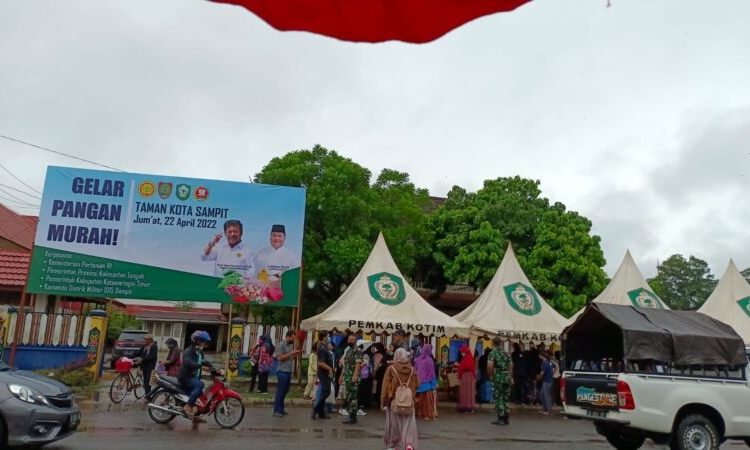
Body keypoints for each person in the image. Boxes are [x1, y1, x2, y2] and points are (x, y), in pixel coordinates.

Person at [381, 348, 419, 450]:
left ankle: (394, 445)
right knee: (408, 424)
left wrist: (383, 401)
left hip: (394, 401)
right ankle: (409, 444)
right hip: (409, 401)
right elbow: (417, 384)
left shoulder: (391, 368)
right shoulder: (412, 369)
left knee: (395, 424)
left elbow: (385, 386)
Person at [177, 330, 217, 421]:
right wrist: (201, 366)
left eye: (204, 341)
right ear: (196, 341)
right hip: (185, 377)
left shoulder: (199, 352)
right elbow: (188, 363)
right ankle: (188, 406)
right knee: (200, 385)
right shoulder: (188, 351)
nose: (204, 343)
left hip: (193, 377)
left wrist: (216, 369)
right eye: (202, 341)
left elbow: (205, 362)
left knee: (201, 399)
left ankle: (195, 417)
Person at [273, 330, 301, 417]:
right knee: (280, 391)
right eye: (292, 338)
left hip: (288, 371)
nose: (293, 340)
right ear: (288, 336)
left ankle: (281, 409)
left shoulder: (289, 345)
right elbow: (280, 358)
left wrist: (294, 355)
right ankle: (277, 410)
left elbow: (288, 357)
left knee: (285, 390)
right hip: (282, 371)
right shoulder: (281, 345)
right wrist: (291, 353)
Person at [488, 336, 512, 425]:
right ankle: (506, 418)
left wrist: (490, 375)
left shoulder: (493, 353)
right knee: (506, 397)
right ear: (501, 343)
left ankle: (500, 418)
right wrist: (510, 377)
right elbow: (511, 366)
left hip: (498, 377)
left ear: (493, 343)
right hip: (506, 377)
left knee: (499, 397)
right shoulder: (506, 353)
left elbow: (490, 366)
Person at [340, 332, 363, 424]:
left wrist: (355, 375)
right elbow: (346, 364)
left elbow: (358, 363)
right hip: (347, 376)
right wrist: (342, 375)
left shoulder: (357, 350)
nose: (350, 341)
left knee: (352, 397)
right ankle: (351, 415)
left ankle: (353, 417)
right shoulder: (349, 350)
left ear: (356, 341)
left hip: (353, 377)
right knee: (349, 396)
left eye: (352, 340)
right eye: (349, 340)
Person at [312, 331, 334, 420]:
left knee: (326, 391)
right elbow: (321, 363)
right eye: (328, 336)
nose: (329, 338)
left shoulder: (324, 346)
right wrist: (329, 369)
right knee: (326, 391)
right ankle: (316, 409)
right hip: (324, 373)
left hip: (326, 374)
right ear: (324, 337)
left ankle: (321, 413)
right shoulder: (321, 348)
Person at [414, 343, 438, 420]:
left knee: (418, 400)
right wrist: (434, 383)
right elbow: (432, 373)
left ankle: (417, 413)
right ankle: (427, 415)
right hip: (427, 385)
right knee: (427, 402)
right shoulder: (430, 360)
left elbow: (415, 370)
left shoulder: (418, 359)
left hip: (418, 384)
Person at [456, 345, 476, 413]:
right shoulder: (471, 358)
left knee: (464, 391)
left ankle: (465, 407)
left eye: (462, 351)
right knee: (470, 392)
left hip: (465, 376)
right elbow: (472, 368)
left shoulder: (465, 358)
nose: (462, 353)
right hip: (470, 377)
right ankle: (471, 407)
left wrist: (458, 366)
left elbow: (462, 367)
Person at [538, 351, 555, 415]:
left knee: (546, 395)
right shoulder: (549, 362)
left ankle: (549, 410)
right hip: (549, 380)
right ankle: (544, 409)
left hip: (547, 381)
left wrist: (539, 377)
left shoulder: (544, 363)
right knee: (542, 394)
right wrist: (552, 374)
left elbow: (542, 372)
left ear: (541, 356)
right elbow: (555, 367)